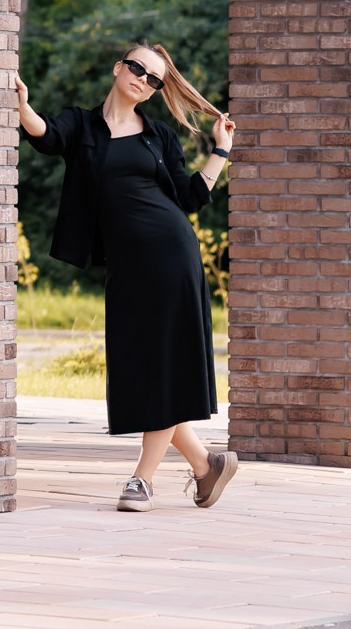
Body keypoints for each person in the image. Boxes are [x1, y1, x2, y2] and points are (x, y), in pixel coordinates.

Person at [18, 44, 239, 512]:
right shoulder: (82, 125)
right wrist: (23, 106)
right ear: (119, 68)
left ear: (156, 91)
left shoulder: (158, 136)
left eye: (154, 79)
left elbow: (191, 197)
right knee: (144, 368)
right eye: (137, 68)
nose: (143, 79)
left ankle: (142, 480)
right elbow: (45, 135)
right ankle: (206, 467)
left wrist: (221, 148)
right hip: (125, 263)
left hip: (171, 253)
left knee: (161, 365)